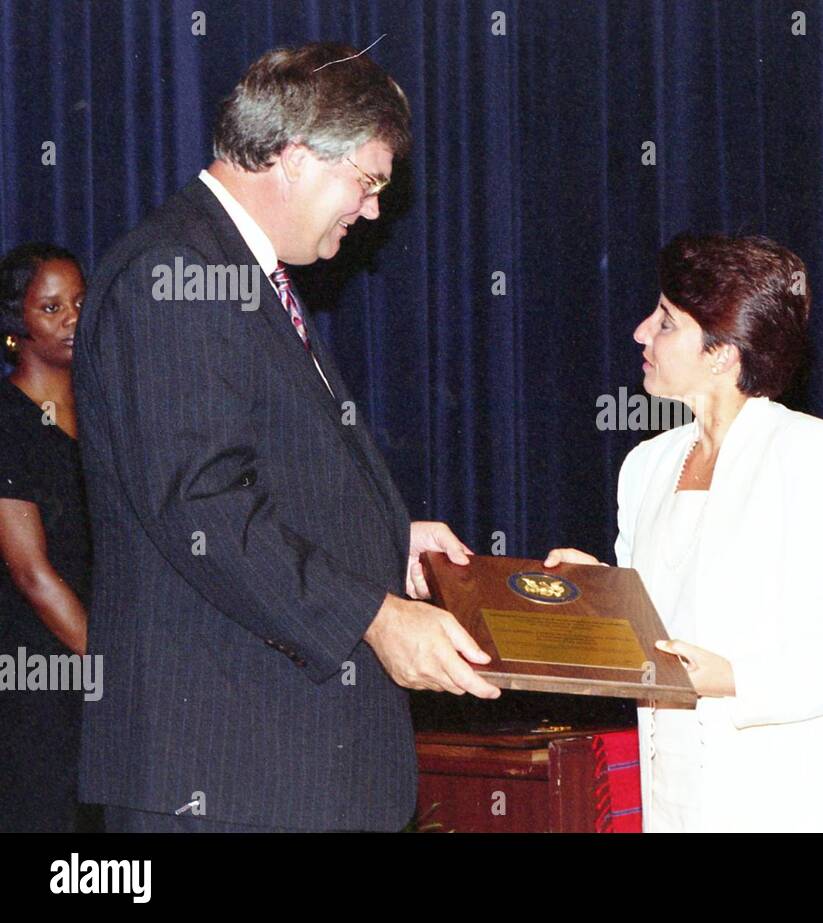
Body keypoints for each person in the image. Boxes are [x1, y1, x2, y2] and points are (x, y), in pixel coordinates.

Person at [74, 42, 499, 834]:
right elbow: (202, 508)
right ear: (297, 158)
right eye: (367, 181)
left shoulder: (238, 272)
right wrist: (375, 615)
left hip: (278, 771)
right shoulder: (176, 274)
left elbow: (261, 481)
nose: (372, 209)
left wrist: (386, 536)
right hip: (228, 774)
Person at [546, 233, 823, 832]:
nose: (642, 332)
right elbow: (656, 632)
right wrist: (599, 594)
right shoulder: (646, 466)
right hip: (680, 798)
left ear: (722, 355)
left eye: (665, 322)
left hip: (802, 797)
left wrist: (740, 680)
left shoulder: (818, 454)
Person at [0, 244, 100, 832]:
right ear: (16, 321)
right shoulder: (8, 419)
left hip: (103, 651)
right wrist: (108, 667)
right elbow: (32, 574)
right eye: (52, 307)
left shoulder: (103, 407)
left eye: (81, 302)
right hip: (38, 667)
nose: (73, 319)